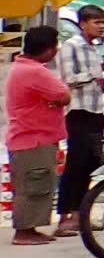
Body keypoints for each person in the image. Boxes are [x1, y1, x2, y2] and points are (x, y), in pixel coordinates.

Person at [9, 24, 71, 244]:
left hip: (33, 136)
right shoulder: (34, 71)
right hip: (33, 137)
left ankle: (30, 229)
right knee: (35, 185)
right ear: (48, 49)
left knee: (36, 183)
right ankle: (24, 232)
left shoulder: (23, 67)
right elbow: (63, 95)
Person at [56, 3, 104, 226]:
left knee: (91, 164)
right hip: (79, 111)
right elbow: (68, 78)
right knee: (76, 163)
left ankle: (81, 214)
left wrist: (101, 82)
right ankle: (66, 215)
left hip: (96, 109)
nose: (102, 27)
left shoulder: (94, 47)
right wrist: (93, 75)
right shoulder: (71, 46)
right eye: (97, 22)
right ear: (83, 23)